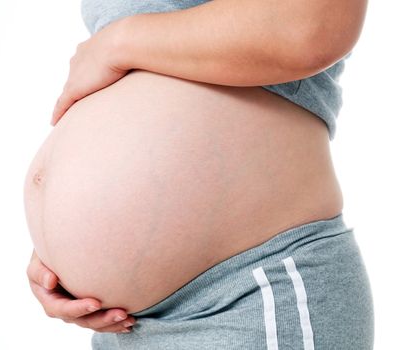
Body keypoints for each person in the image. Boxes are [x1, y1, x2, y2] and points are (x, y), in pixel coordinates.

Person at [24, 0, 373, 348]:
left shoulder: (118, 43)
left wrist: (116, 43)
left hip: (249, 293)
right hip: (122, 325)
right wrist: (62, 252)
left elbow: (314, 27)